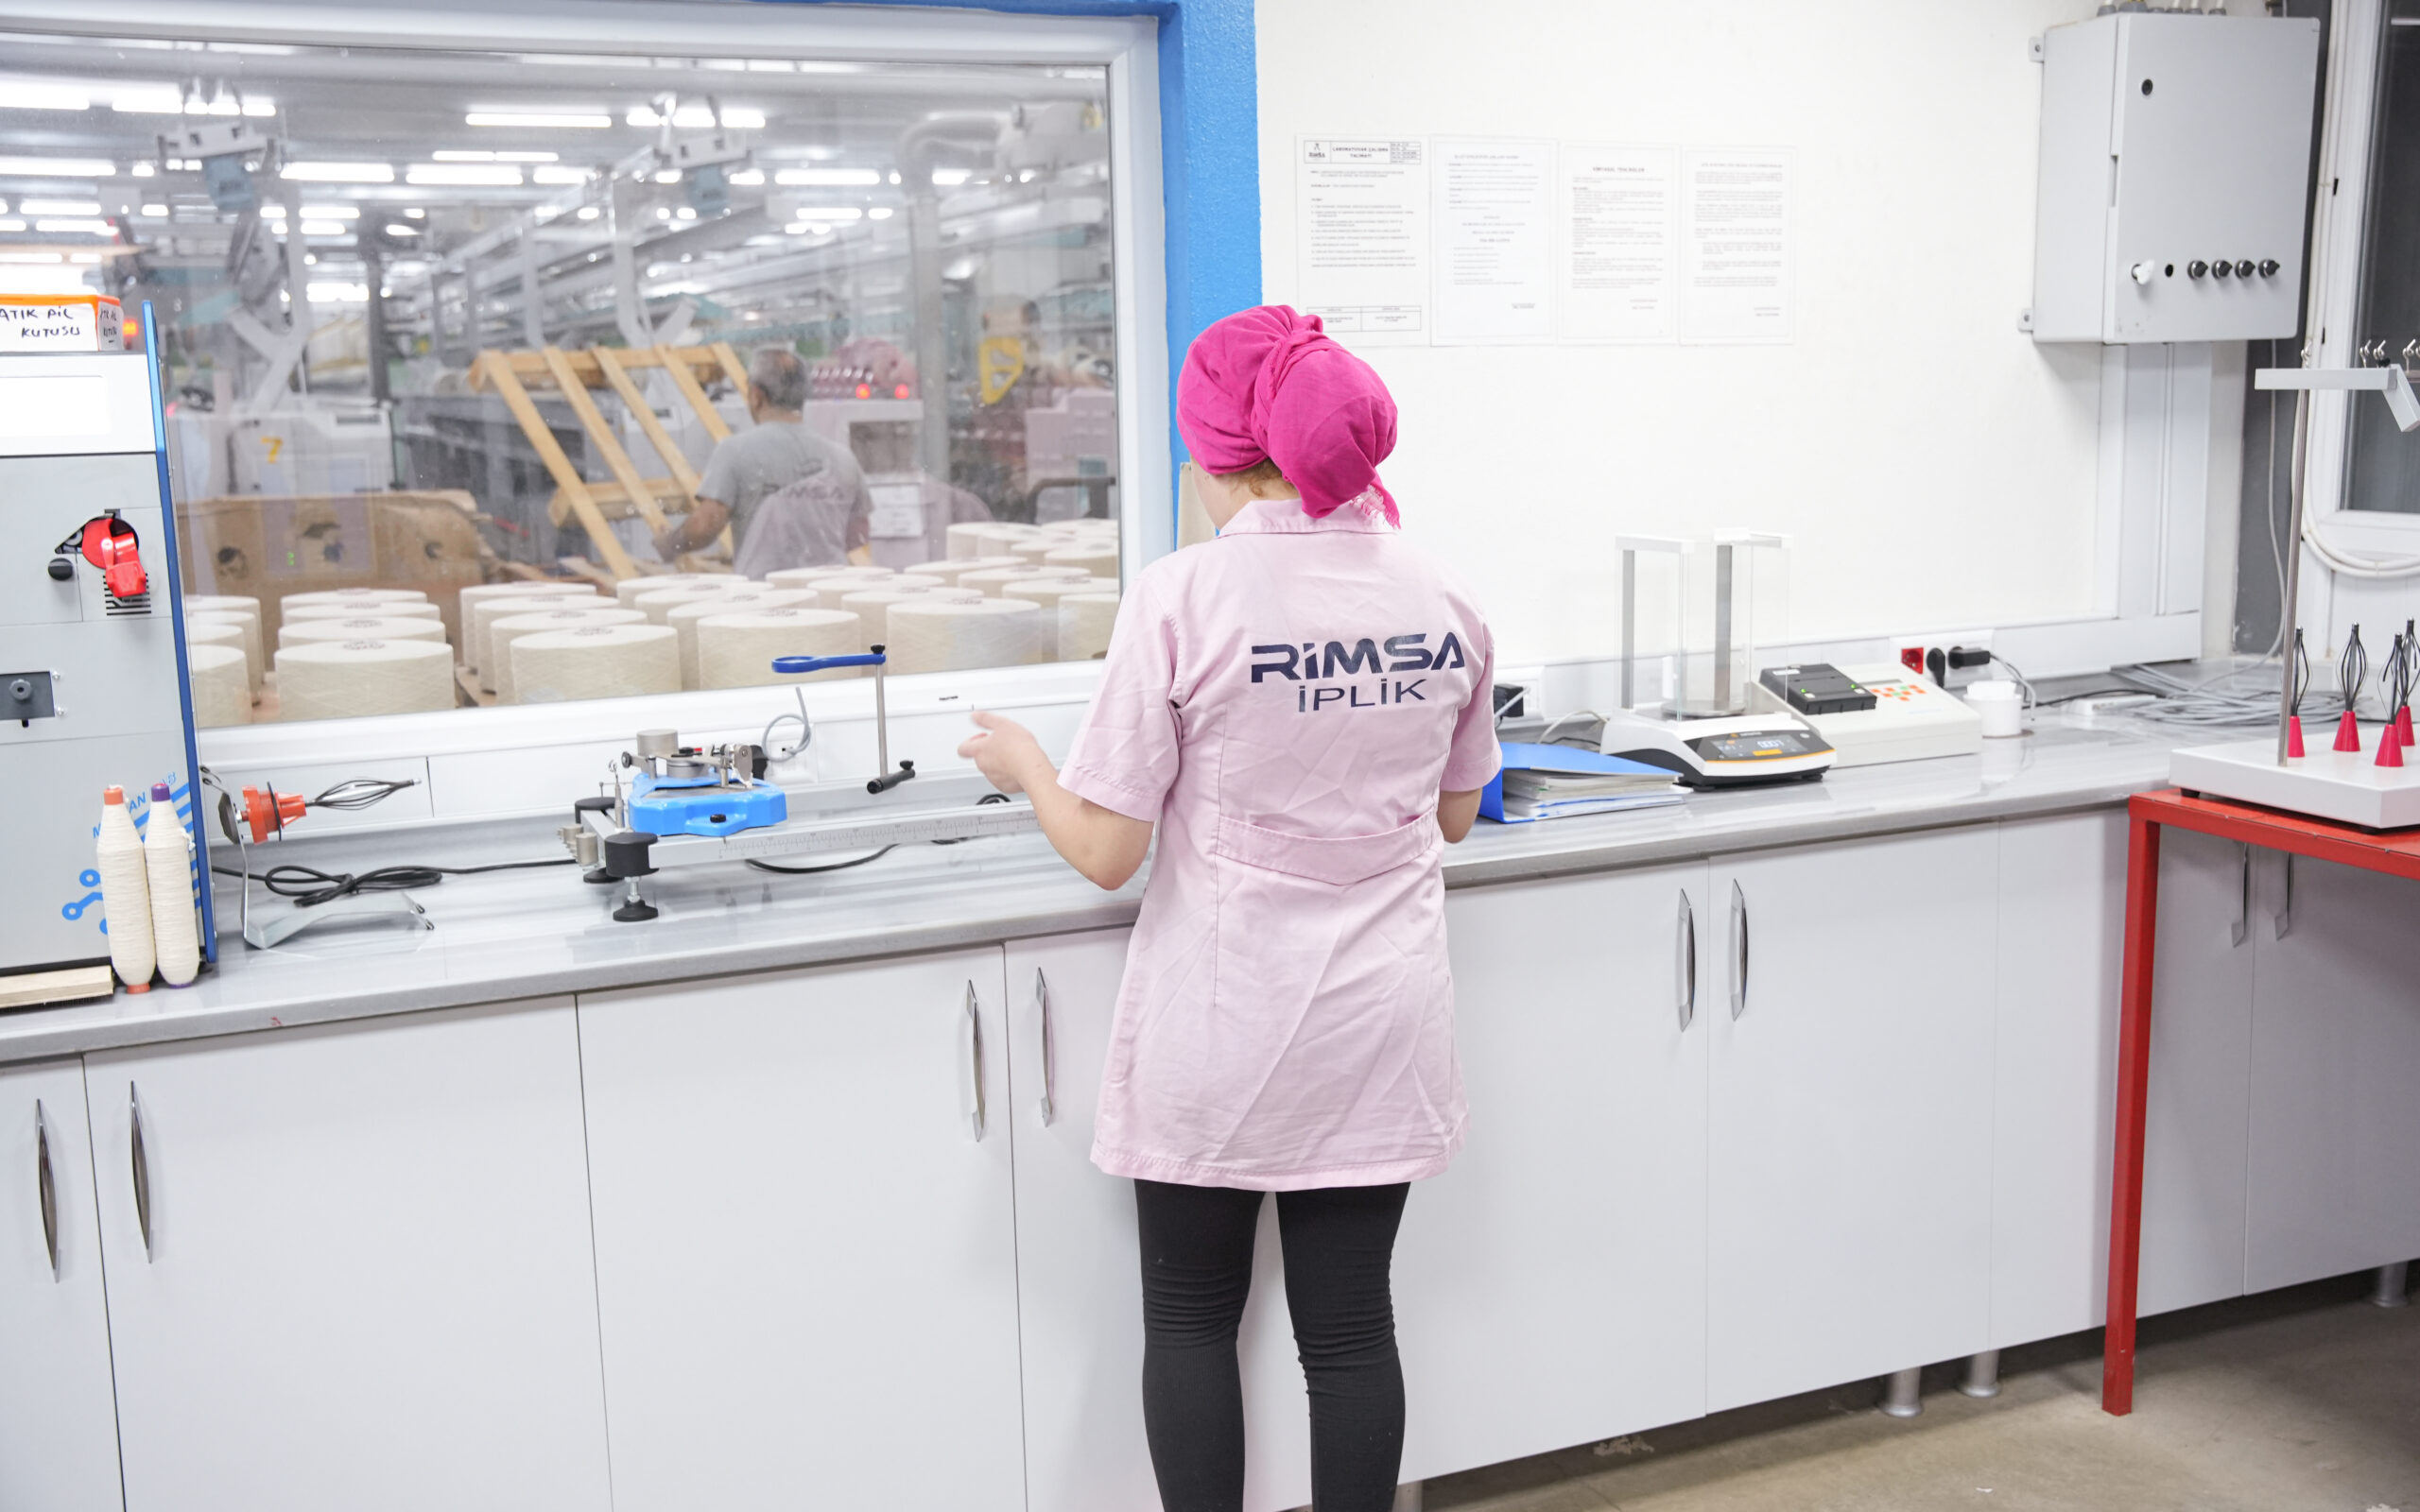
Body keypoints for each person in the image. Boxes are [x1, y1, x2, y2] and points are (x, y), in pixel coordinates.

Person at [957, 305, 1500, 1512]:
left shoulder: (1181, 598)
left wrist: (1026, 767)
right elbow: (1457, 813)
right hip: (1378, 1019)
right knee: (1349, 1330)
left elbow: (1107, 850)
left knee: (1192, 1317)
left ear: (1221, 458)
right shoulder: (1442, 593)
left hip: (1227, 1019)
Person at [654, 345, 873, 576]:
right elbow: (859, 532)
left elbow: (705, 526)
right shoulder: (842, 458)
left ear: (756, 396)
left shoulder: (735, 451)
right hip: (827, 589)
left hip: (766, 593)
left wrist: (670, 543)